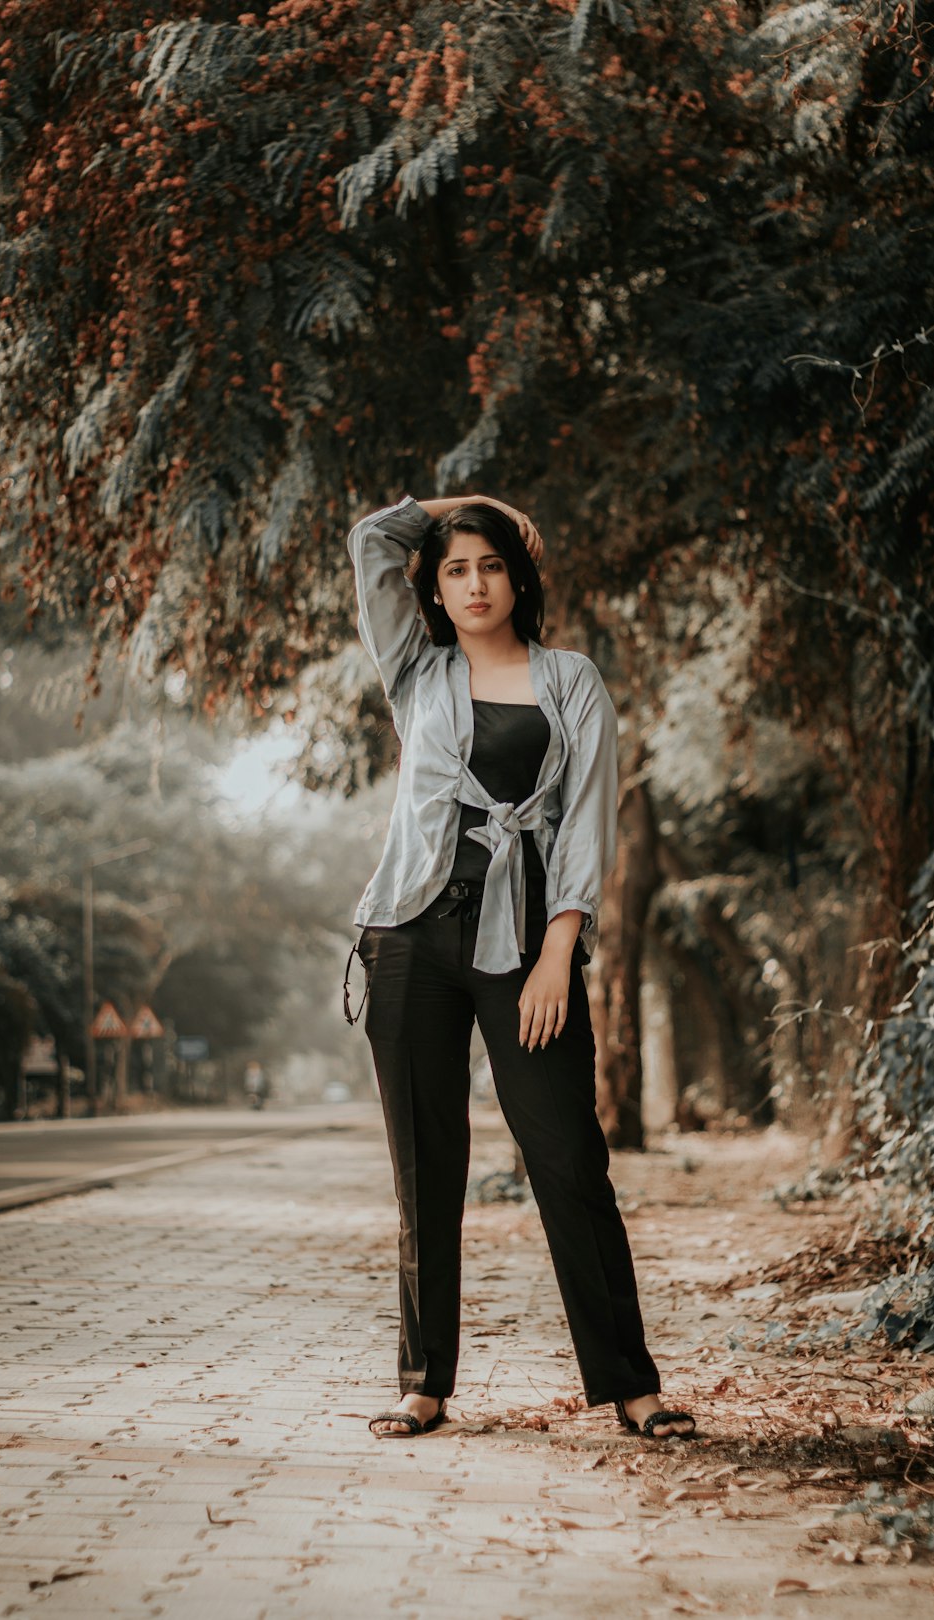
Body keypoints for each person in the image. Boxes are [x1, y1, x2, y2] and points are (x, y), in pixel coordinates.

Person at [344, 492, 695, 1444]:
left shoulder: (571, 681)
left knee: (569, 1159)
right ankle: (423, 1384)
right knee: (426, 1167)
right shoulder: (416, 674)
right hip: (410, 937)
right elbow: (372, 539)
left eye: (490, 563)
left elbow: (586, 824)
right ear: (437, 590)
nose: (473, 584)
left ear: (520, 576)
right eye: (455, 569)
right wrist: (466, 507)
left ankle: (631, 1384)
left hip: (526, 947)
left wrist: (557, 955)